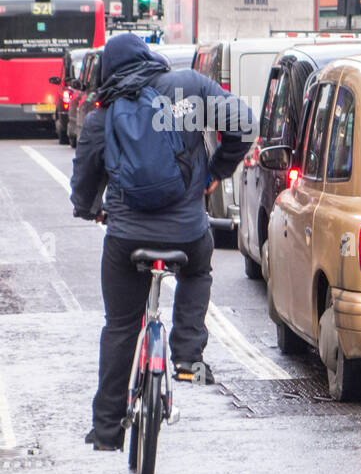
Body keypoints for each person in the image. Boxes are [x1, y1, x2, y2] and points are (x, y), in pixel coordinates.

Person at [70, 33, 253, 452]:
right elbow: (241, 124)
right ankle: (187, 356)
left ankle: (107, 429)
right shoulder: (189, 87)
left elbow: (84, 178)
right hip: (186, 233)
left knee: (120, 327)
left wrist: (89, 207)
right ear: (148, 58)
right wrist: (215, 172)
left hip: (126, 236)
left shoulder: (103, 114)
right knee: (198, 268)